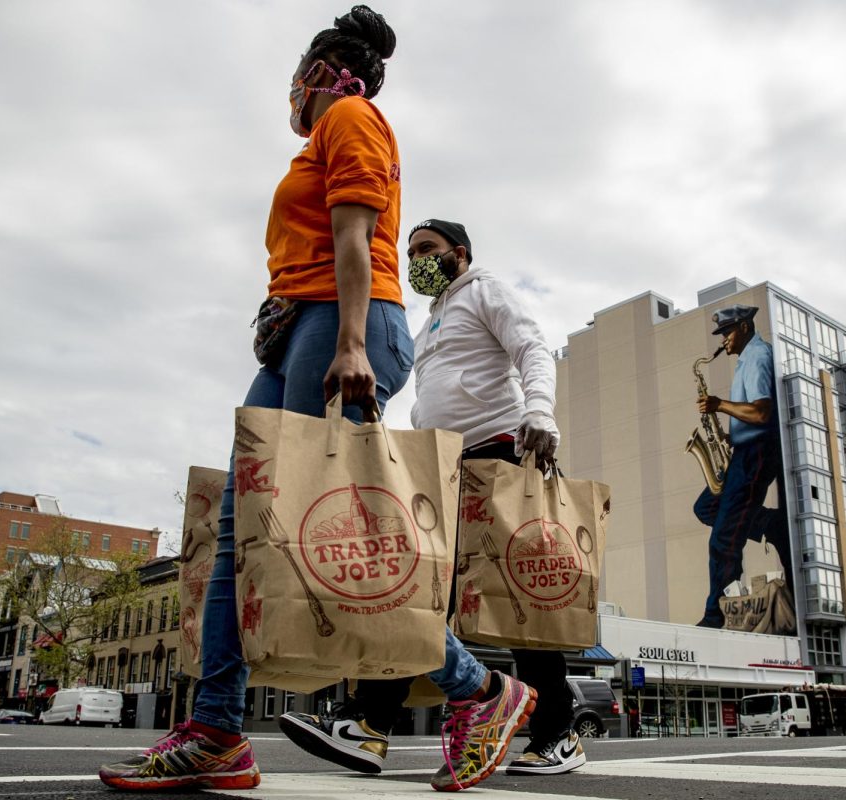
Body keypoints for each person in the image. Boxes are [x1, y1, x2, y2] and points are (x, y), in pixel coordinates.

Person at [99, 9, 532, 793]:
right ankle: (218, 730)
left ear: (327, 73)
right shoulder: (319, 138)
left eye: (297, 75)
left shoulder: (354, 117)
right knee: (241, 533)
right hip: (304, 328)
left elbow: (356, 236)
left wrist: (354, 343)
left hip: (343, 325)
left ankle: (483, 692)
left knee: (332, 543)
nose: (290, 93)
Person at [280, 219, 584, 778]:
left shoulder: (485, 288)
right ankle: (368, 726)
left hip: (498, 454)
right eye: (411, 250)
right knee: (415, 593)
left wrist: (540, 412)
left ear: (459, 253)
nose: (415, 258)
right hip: (443, 468)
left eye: (426, 249)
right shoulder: (430, 323)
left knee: (516, 605)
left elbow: (532, 348)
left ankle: (558, 734)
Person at [692, 304, 782, 629]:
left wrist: (719, 405)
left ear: (743, 327)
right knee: (705, 507)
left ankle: (717, 617)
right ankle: (771, 526)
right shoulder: (747, 358)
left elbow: (762, 413)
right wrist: (729, 437)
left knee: (722, 540)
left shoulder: (758, 356)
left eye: (727, 332)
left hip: (757, 454)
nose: (723, 340)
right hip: (745, 450)